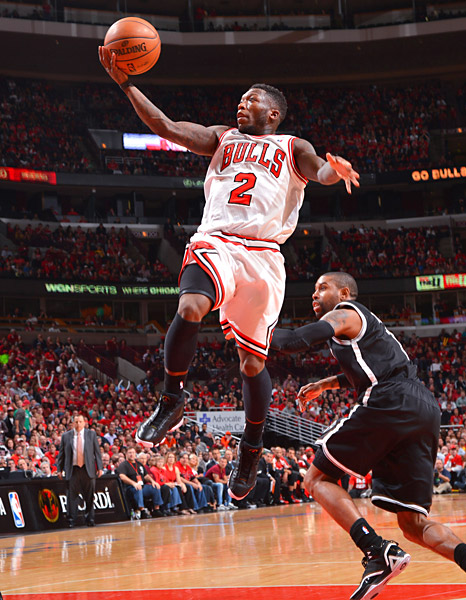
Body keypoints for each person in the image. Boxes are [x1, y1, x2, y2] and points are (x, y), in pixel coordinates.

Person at [98, 46, 359, 502]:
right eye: (241, 98)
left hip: (263, 255)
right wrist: (126, 84)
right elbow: (166, 126)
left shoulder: (292, 146)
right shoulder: (222, 137)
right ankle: (172, 398)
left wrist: (335, 171)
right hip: (216, 239)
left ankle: (251, 449)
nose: (241, 103)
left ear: (272, 113)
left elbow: (319, 171)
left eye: (251, 99)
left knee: (252, 363)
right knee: (191, 306)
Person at [270, 272, 466, 600]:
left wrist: (251, 328)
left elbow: (294, 340)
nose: (315, 294)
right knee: (412, 523)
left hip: (391, 399)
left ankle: (376, 551)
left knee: (317, 479)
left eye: (322, 287)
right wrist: (327, 384)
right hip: (422, 407)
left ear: (344, 293)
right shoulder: (368, 329)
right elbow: (370, 368)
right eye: (314, 289)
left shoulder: (346, 313)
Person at [56, 415, 103, 527]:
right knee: (71, 496)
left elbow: (97, 453)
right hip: (73, 469)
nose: (78, 424)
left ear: (84, 423)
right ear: (73, 423)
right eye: (76, 422)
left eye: (80, 422)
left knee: (89, 496)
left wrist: (100, 468)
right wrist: (59, 469)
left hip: (88, 469)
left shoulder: (91, 434)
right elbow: (61, 454)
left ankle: (90, 519)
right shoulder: (66, 436)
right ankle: (71, 520)